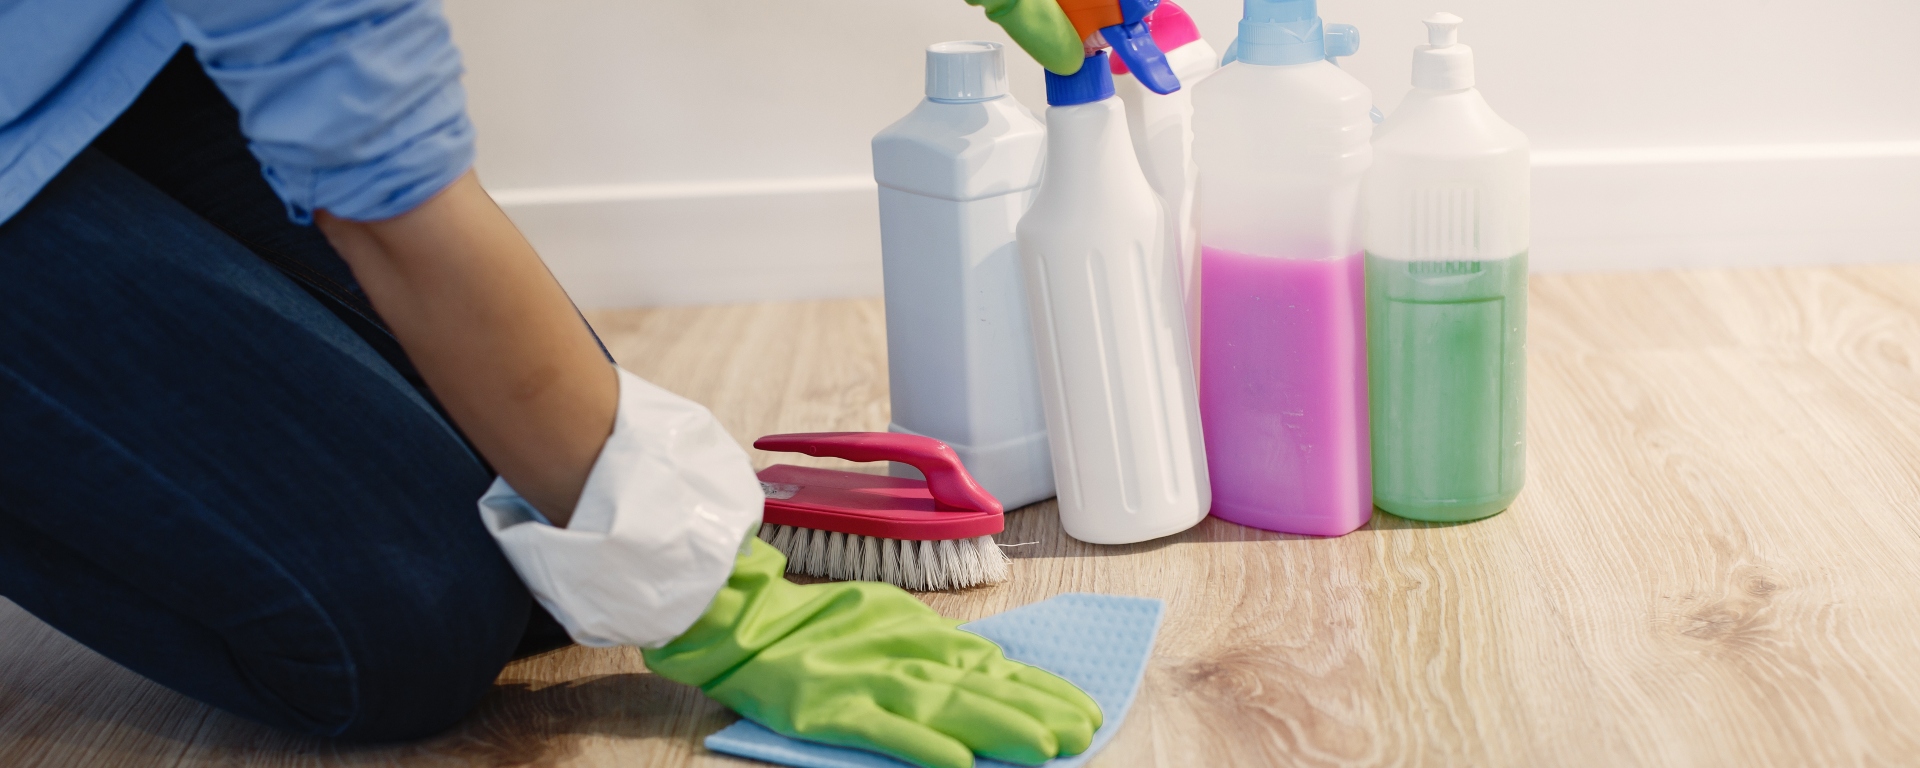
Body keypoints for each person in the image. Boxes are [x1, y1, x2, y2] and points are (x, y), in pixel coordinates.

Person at [0, 1, 1097, 767]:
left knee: (528, 540)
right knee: (407, 629)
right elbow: (387, 190)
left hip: (114, 40)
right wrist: (726, 609)